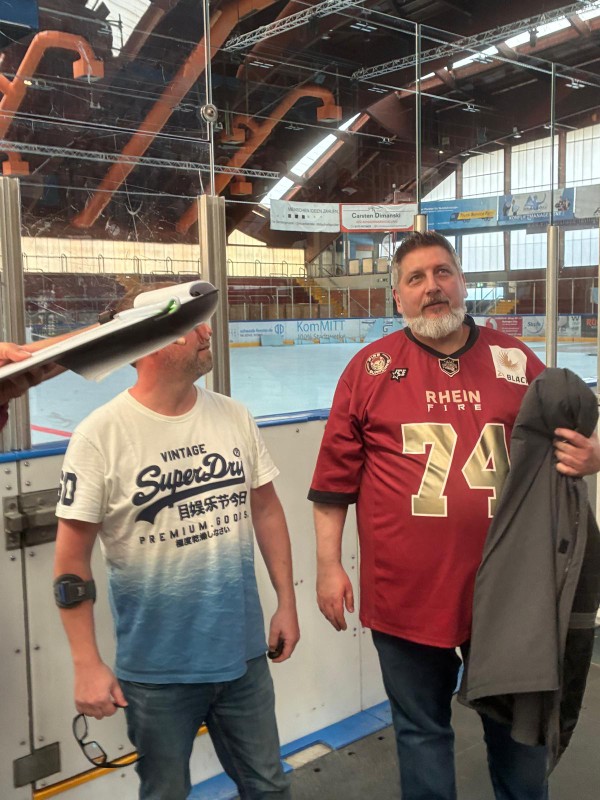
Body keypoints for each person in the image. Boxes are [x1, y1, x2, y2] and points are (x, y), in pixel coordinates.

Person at [308, 230, 600, 800]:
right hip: (406, 593)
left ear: (462, 282)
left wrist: (594, 456)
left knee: (519, 737)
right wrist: (327, 565)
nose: (432, 287)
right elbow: (333, 484)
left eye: (443, 272)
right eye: (415, 278)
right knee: (421, 733)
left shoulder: (515, 360)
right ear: (398, 297)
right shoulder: (368, 370)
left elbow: (574, 437)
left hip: (510, 595)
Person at [54, 283, 299, 800]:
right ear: (148, 342)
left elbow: (267, 510)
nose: (206, 331)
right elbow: (71, 564)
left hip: (243, 658)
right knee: (165, 794)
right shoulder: (100, 436)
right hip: (157, 675)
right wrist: (86, 664)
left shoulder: (234, 416)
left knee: (269, 787)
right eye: (188, 325)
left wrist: (287, 602)